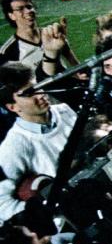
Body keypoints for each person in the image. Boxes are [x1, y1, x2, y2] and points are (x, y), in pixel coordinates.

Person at [0, 63, 77, 221]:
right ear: (12, 107)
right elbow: (2, 203)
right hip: (71, 219)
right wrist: (43, 211)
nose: (41, 95)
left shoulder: (65, 110)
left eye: (38, 87)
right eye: (29, 93)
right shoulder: (14, 145)